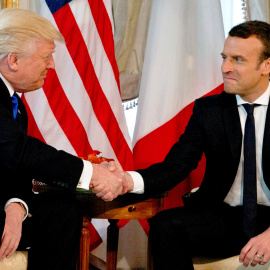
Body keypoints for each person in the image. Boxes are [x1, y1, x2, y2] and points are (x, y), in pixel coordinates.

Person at [93, 20, 270, 269]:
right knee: (165, 226)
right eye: (224, 58)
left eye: (238, 60)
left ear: (266, 65)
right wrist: (127, 180)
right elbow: (176, 166)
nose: (226, 68)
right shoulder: (209, 111)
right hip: (225, 217)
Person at [0, 8, 126, 270]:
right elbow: (19, 150)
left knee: (62, 209)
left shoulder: (15, 103)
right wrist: (92, 174)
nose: (52, 65)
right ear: (13, 60)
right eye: (46, 57)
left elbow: (13, 166)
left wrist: (15, 206)